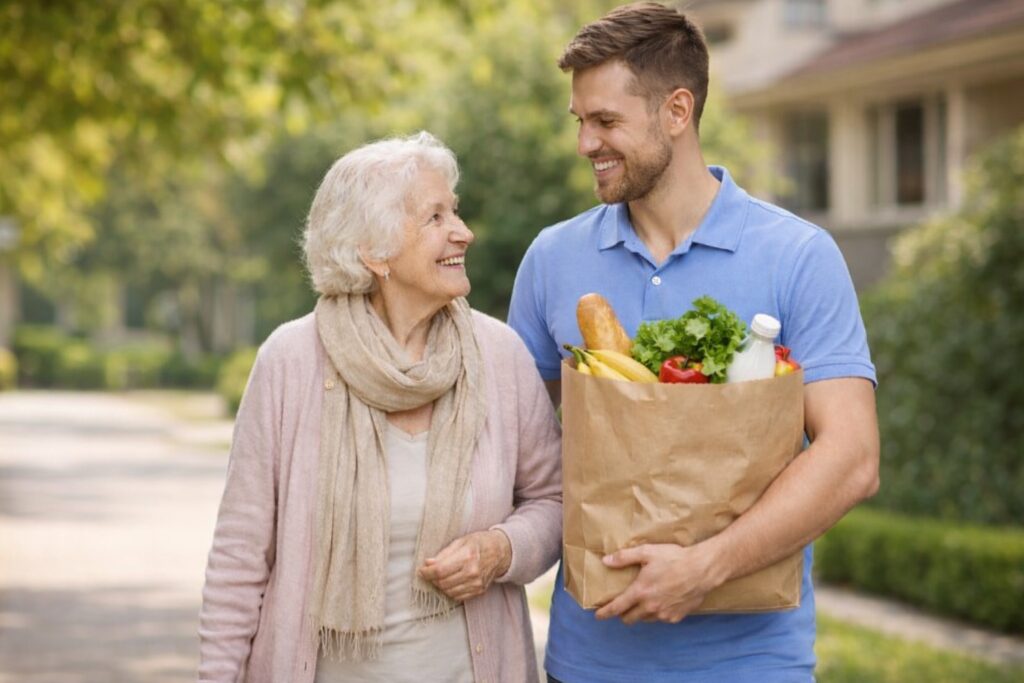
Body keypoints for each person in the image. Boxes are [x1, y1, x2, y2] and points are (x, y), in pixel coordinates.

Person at [507, 3, 880, 682]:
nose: (585, 143)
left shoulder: (796, 255)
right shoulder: (553, 259)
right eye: (579, 121)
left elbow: (852, 457)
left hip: (752, 664)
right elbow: (511, 450)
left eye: (606, 121)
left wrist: (704, 568)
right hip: (586, 662)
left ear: (677, 111)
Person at [199, 132, 562, 683]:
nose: (463, 232)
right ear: (374, 251)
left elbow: (554, 500)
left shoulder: (499, 356)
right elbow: (239, 556)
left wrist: (500, 549)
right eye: (435, 217)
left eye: (455, 211)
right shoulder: (290, 361)